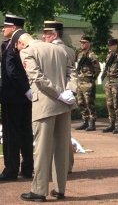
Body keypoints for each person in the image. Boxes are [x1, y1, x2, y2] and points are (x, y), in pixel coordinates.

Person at [18, 32, 77, 202]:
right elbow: (72, 72)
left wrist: (59, 94)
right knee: (61, 148)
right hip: (64, 104)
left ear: (21, 42)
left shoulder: (27, 51)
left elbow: (37, 77)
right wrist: (69, 91)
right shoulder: (60, 49)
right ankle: (60, 189)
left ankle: (39, 190)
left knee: (42, 149)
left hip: (45, 104)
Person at [0, 15, 33, 181]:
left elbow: (11, 71)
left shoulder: (9, 46)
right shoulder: (28, 45)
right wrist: (28, 90)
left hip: (12, 97)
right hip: (25, 97)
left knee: (11, 135)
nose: (2, 29)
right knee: (26, 132)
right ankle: (27, 168)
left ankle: (11, 170)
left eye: (5, 26)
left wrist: (24, 89)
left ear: (13, 28)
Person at [42, 20, 76, 173]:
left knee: (50, 137)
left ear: (54, 35)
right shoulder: (69, 50)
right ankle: (67, 165)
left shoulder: (49, 50)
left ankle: (51, 169)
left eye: (46, 34)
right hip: (67, 96)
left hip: (52, 96)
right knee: (64, 135)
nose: (44, 37)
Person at [102, 38, 118, 134]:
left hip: (116, 83)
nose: (109, 47)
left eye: (111, 45)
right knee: (109, 104)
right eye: (109, 45)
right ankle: (111, 123)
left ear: (116, 45)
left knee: (117, 104)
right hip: (109, 83)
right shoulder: (108, 56)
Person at [75, 35, 101, 131]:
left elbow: (97, 69)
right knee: (81, 102)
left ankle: (92, 122)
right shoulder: (80, 55)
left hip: (88, 82)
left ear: (89, 44)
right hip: (80, 82)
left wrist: (92, 79)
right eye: (81, 42)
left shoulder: (92, 55)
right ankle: (85, 121)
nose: (82, 44)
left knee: (90, 103)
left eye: (84, 42)